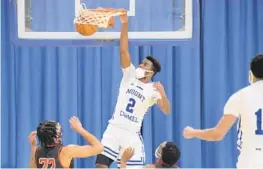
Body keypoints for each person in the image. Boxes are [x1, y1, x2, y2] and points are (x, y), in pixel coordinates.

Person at [95, 11, 171, 168]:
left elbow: (166, 110)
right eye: (141, 63)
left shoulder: (153, 89)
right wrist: (124, 24)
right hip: (114, 128)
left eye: (145, 65)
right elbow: (123, 50)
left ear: (152, 72)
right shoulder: (130, 75)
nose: (140, 65)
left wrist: (163, 93)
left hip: (131, 134)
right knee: (99, 166)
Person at [183, 54, 263, 168]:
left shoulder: (240, 96)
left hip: (250, 161)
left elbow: (218, 134)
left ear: (251, 75)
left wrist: (193, 132)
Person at [28, 116, 103, 168]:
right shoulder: (66, 151)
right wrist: (80, 129)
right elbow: (99, 148)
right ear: (55, 138)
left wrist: (33, 146)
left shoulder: (37, 151)